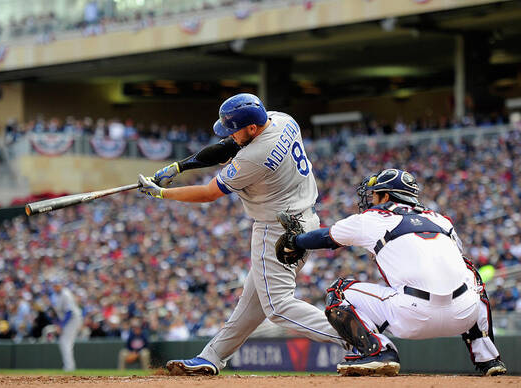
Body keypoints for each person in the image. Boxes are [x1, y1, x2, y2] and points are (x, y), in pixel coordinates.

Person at [138, 93, 345, 376]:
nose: (230, 135)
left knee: (278, 306)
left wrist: (162, 193)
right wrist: (180, 166)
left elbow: (209, 193)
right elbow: (226, 147)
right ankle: (211, 357)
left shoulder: (255, 157)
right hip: (302, 219)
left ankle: (357, 338)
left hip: (277, 230)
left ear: (251, 128)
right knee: (253, 305)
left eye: (234, 128)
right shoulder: (282, 120)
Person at [276, 168, 506, 376]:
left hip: (412, 317)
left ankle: (378, 350)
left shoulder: (374, 218)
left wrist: (295, 241)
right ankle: (488, 358)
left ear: (386, 196)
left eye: (375, 194)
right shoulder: (441, 220)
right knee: (471, 274)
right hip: (462, 315)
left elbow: (326, 237)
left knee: (338, 291)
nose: (372, 199)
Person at [50, 280, 83, 371]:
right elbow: (54, 313)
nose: (56, 287)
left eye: (57, 285)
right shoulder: (54, 296)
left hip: (73, 319)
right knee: (64, 342)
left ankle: (69, 367)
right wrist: (57, 324)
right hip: (65, 320)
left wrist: (61, 326)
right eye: (54, 285)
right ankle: (69, 367)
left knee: (65, 342)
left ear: (61, 285)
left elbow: (69, 312)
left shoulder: (66, 294)